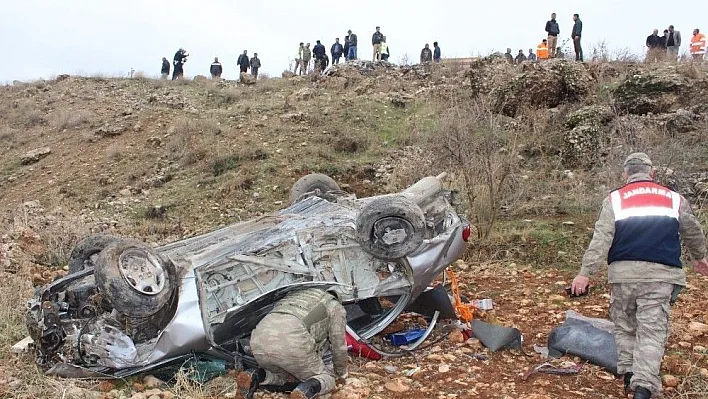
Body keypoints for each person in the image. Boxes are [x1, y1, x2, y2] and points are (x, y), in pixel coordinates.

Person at [571, 153, 707, 399]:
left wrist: (585, 273)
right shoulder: (674, 199)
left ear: (626, 174)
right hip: (661, 276)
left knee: (624, 327)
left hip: (623, 275)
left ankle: (629, 376)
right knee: (651, 331)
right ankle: (642, 388)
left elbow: (601, 239)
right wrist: (700, 258)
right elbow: (693, 231)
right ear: (651, 173)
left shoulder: (615, 199)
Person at [237, 288, 348, 399]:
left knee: (282, 377)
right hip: (293, 340)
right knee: (326, 377)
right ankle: (305, 391)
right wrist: (340, 373)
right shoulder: (335, 306)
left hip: (259, 338)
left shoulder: (294, 296)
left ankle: (255, 376)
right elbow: (338, 344)